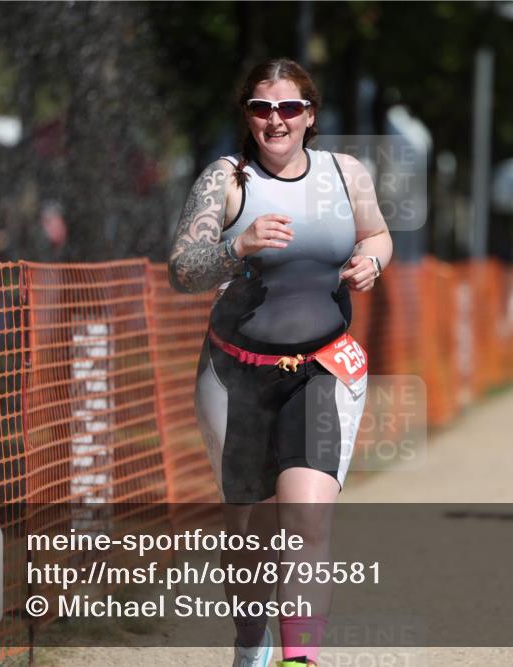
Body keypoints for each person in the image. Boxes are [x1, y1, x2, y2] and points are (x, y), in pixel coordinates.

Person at [167, 58, 392, 667]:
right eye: (263, 107)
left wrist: (373, 261)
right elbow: (182, 270)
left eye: (289, 108)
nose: (276, 120)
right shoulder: (227, 179)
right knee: (249, 535)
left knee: (306, 520)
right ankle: (250, 642)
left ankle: (300, 659)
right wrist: (236, 245)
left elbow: (377, 235)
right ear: (248, 114)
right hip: (236, 374)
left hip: (323, 367)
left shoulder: (346, 174)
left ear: (310, 115)